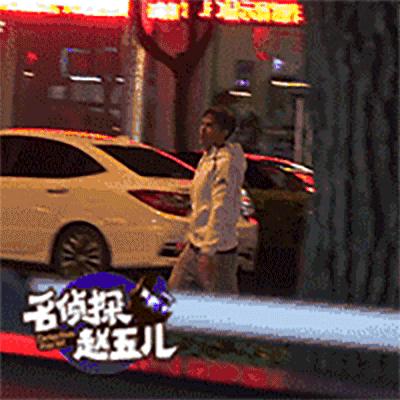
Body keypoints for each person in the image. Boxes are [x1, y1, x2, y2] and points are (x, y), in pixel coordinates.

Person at [169, 106, 247, 294]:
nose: (202, 130)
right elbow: (200, 204)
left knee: (223, 304)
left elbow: (221, 207)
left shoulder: (226, 163)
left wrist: (208, 251)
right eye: (202, 125)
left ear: (224, 132)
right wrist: (188, 236)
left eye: (210, 126)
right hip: (195, 246)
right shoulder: (208, 158)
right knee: (174, 293)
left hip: (217, 252)